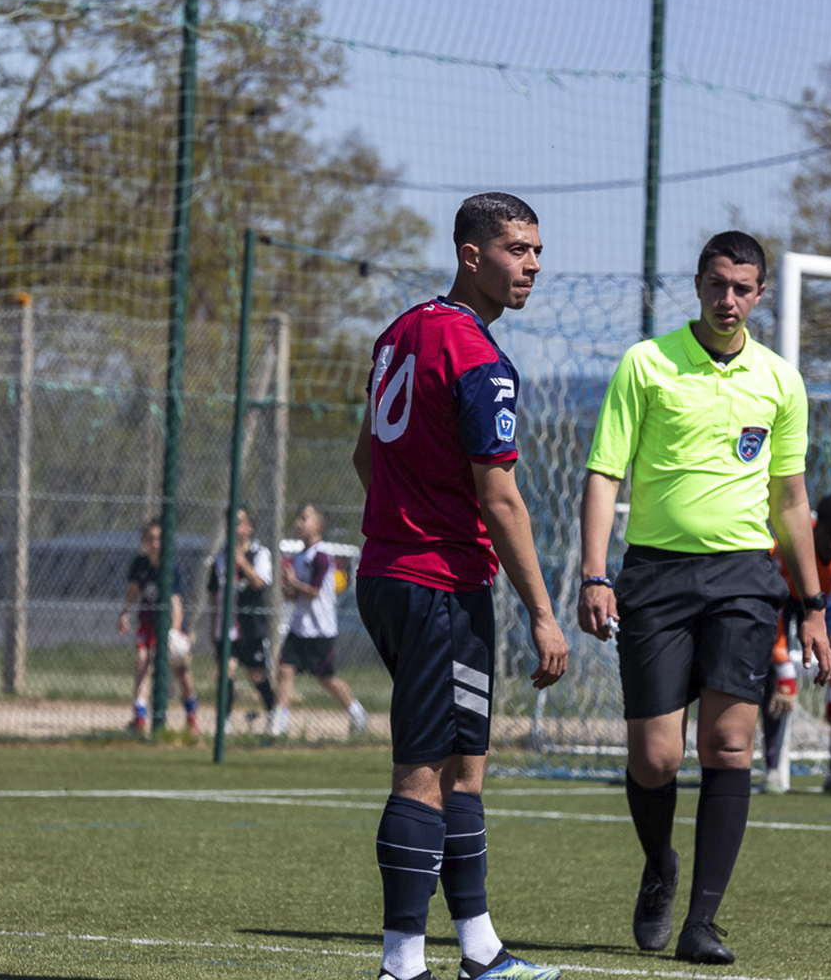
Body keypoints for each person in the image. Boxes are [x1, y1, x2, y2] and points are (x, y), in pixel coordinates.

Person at [578, 230, 831, 967]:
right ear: (697, 285)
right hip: (654, 577)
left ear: (760, 296)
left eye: (743, 288)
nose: (729, 299)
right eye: (718, 284)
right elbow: (604, 475)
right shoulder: (647, 363)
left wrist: (811, 603)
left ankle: (702, 922)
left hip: (746, 582)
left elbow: (790, 500)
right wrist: (596, 573)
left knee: (730, 746)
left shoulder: (781, 382)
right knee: (657, 757)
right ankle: (660, 864)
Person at [352, 191, 568, 980]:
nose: (533, 265)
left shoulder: (399, 332)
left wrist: (402, 511)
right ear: (471, 256)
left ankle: (480, 951)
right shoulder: (478, 358)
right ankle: (402, 966)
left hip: (392, 574)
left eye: (538, 250)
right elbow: (500, 495)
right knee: (422, 770)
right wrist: (544, 616)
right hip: (438, 581)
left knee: (464, 765)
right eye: (517, 249)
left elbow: (364, 458)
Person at [760, 493, 831, 797]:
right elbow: (771, 610)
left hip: (825, 602)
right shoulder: (789, 545)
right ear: (816, 526)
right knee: (774, 677)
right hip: (785, 595)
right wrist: (784, 667)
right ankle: (772, 769)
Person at [272, 501, 367, 736]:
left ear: (318, 526)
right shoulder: (300, 555)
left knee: (326, 678)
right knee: (284, 669)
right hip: (299, 626)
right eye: (298, 518)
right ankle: (279, 723)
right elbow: (298, 595)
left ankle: (356, 712)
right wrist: (289, 589)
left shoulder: (322, 556)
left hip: (319, 629)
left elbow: (314, 592)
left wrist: (294, 583)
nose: (298, 523)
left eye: (305, 519)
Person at [116, 516, 200, 735]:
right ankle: (140, 717)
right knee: (143, 662)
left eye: (159, 539)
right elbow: (134, 591)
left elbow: (176, 605)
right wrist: (124, 613)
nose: (155, 544)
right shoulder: (140, 564)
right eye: (150, 538)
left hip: (170, 625)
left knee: (180, 671)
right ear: (144, 541)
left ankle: (192, 717)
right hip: (148, 622)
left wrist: (173, 633)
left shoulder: (170, 568)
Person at [208, 506, 276, 732]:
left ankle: (273, 712)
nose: (234, 528)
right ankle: (225, 721)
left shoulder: (260, 554)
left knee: (256, 675)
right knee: (227, 670)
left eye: (239, 523)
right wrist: (212, 625)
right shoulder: (220, 558)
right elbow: (214, 594)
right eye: (230, 523)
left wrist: (240, 560)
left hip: (252, 627)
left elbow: (259, 583)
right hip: (227, 627)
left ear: (249, 527)